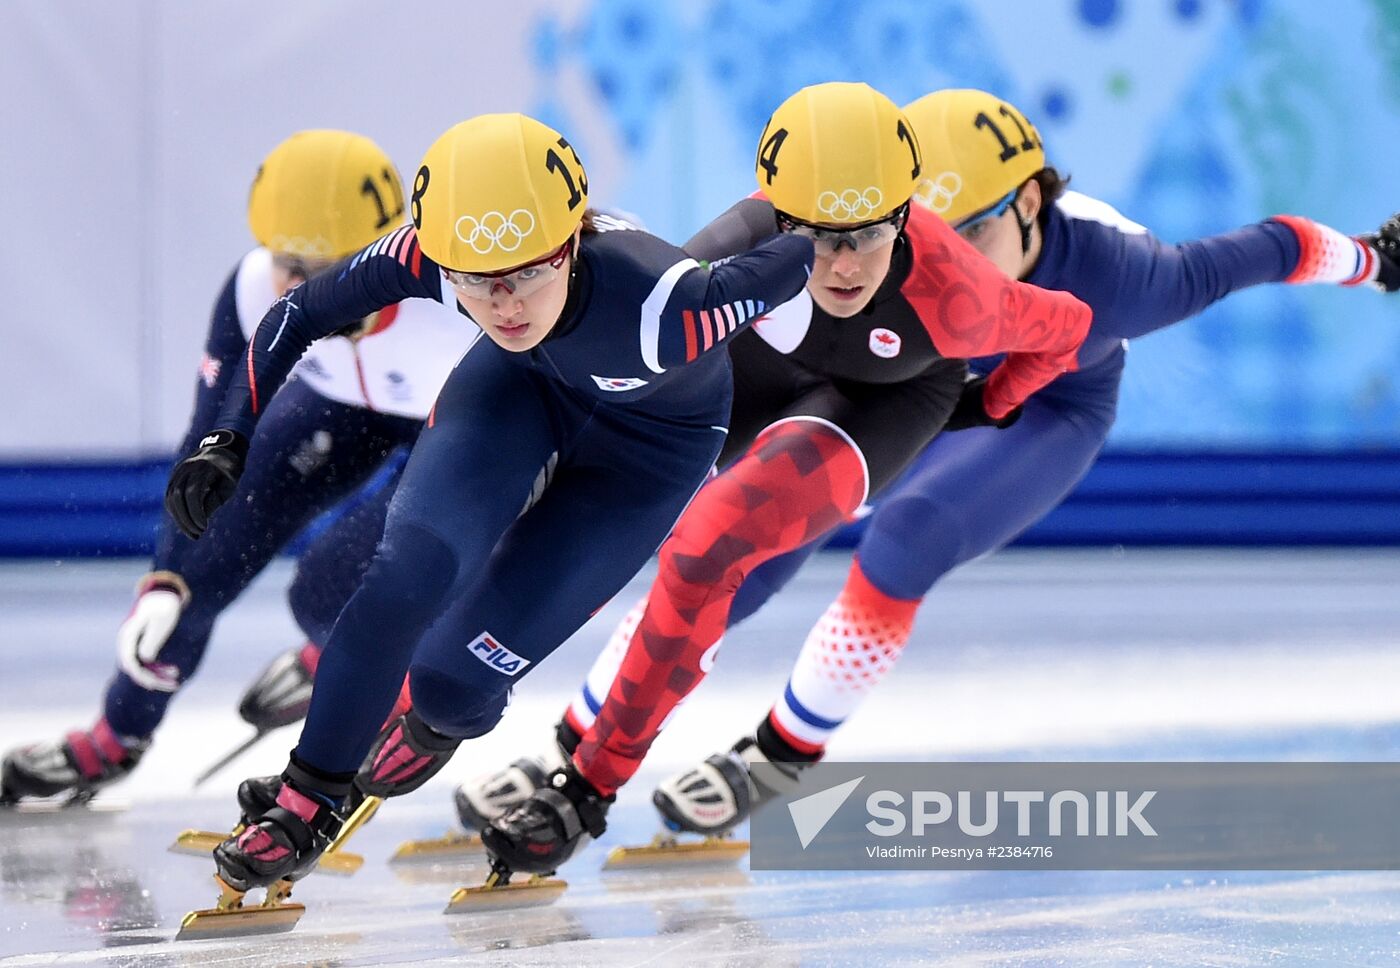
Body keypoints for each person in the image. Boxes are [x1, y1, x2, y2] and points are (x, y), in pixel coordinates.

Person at [474, 86, 1400, 844]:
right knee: (736, 543)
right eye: (918, 224)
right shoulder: (885, 241)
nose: (931, 249)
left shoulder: (1129, 279)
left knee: (904, 542)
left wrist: (1375, 260)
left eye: (969, 230)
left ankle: (785, 752)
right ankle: (581, 735)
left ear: (1029, 205)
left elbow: (1268, 249)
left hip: (1041, 404)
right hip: (882, 377)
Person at [161, 111, 817, 891]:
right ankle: (305, 800)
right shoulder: (431, 254)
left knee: (450, 684)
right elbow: (297, 314)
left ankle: (442, 720)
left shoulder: (667, 302)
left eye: (529, 272)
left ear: (573, 236)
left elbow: (799, 246)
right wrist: (228, 436)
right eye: (476, 279)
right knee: (405, 573)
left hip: (646, 457)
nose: (504, 302)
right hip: (521, 390)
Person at [476, 82, 1093, 875]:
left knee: (708, 546)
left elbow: (1066, 330)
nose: (840, 264)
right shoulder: (737, 241)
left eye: (866, 234)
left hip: (886, 399)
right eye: (812, 234)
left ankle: (587, 786)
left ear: (907, 214)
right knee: (581, 484)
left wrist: (985, 406)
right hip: (764, 369)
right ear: (775, 211)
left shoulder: (962, 296)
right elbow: (630, 323)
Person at [0, 130, 476, 804]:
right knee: (191, 571)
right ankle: (114, 736)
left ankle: (338, 663)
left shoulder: (454, 301)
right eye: (284, 261)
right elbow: (207, 442)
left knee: (328, 590)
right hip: (342, 407)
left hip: (453, 421)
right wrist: (164, 577)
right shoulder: (255, 286)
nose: (293, 286)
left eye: (321, 269)